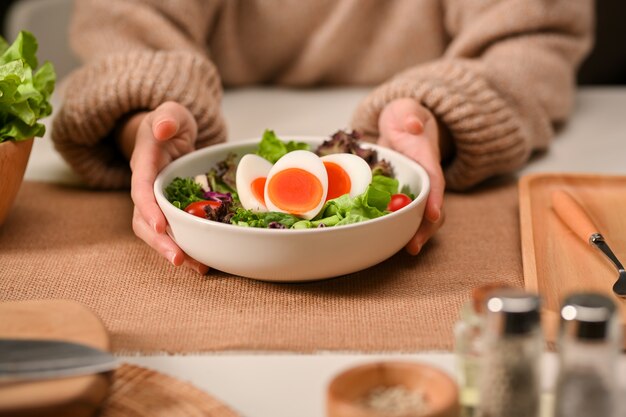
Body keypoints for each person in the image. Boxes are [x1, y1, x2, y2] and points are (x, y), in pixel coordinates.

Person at [52, 0, 593, 274]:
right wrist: (145, 122)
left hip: (417, 118)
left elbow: (533, 39)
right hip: (210, 128)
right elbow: (123, 24)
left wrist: (438, 119)